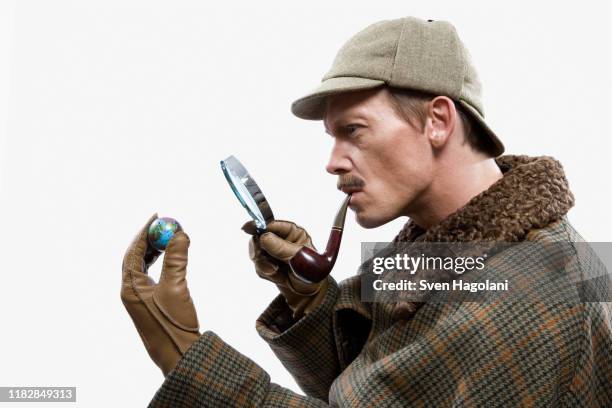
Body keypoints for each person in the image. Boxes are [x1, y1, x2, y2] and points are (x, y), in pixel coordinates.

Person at [121, 17, 611, 407]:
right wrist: (310, 300)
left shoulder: (523, 297)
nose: (332, 161)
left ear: (438, 121)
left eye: (353, 130)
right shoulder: (456, 249)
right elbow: (384, 384)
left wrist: (183, 354)